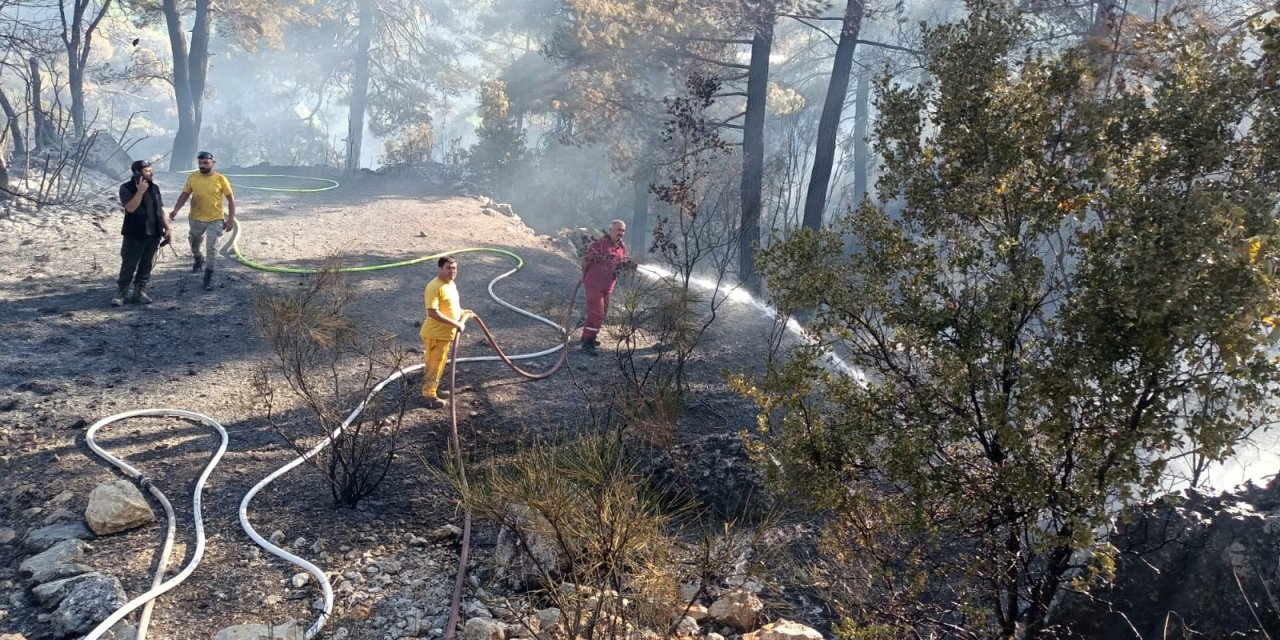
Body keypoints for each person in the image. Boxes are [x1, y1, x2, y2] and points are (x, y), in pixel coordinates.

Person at [169, 151, 236, 291]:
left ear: (213, 162)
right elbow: (185, 194)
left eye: (205, 163)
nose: (202, 165)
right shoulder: (193, 177)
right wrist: (175, 210)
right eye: (200, 163)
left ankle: (208, 278)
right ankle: (198, 257)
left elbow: (231, 200)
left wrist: (230, 219)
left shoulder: (220, 179)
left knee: (211, 249)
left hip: (215, 219)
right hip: (196, 218)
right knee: (194, 242)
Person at [112, 159, 171, 307]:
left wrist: (167, 228)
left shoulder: (155, 188)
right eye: (147, 171)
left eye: (151, 170)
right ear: (137, 172)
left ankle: (139, 292)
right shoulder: (126, 187)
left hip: (154, 233)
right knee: (129, 264)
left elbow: (160, 209)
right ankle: (122, 293)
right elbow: (130, 208)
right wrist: (140, 191)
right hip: (135, 233)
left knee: (146, 264)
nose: (151, 173)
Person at [420, 256, 474, 409]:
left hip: (444, 335)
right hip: (435, 335)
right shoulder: (434, 287)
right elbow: (433, 312)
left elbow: (450, 307)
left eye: (454, 268)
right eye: (448, 268)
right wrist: (455, 323)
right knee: (434, 365)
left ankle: (434, 389)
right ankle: (429, 395)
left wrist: (462, 312)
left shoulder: (450, 284)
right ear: (440, 269)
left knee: (441, 363)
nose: (452, 271)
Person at [580, 219, 630, 355]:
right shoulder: (599, 244)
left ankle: (587, 336)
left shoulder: (622, 247)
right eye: (619, 230)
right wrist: (583, 277)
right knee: (597, 313)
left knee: (601, 314)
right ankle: (587, 344)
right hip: (594, 284)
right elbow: (586, 261)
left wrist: (627, 266)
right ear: (611, 230)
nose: (621, 233)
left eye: (623, 230)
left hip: (608, 286)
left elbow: (622, 262)